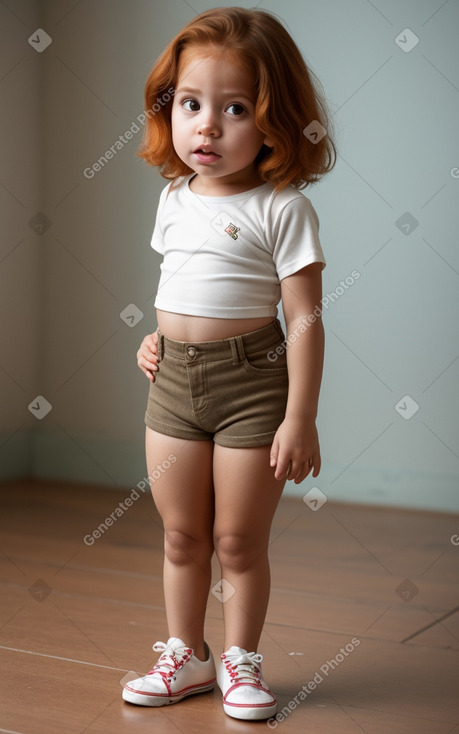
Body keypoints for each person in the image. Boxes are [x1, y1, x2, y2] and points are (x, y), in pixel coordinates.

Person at [122, 6, 336, 722]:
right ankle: (186, 656)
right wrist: (156, 339)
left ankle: (242, 660)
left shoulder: (282, 208)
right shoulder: (172, 198)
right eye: (190, 104)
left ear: (276, 118)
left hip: (253, 386)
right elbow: (177, 285)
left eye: (234, 108)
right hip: (174, 384)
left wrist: (298, 417)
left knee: (236, 540)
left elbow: (303, 319)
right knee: (181, 536)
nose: (206, 126)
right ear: (169, 109)